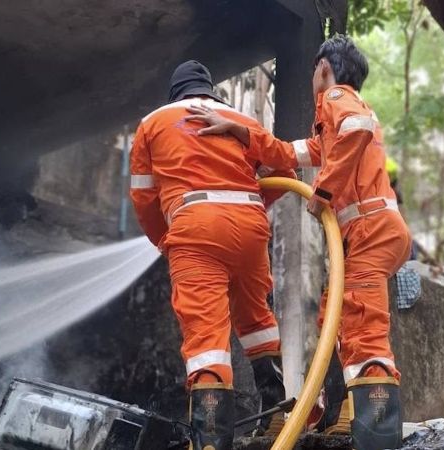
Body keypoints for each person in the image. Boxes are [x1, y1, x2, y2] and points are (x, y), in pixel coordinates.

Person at [185, 36, 411, 449]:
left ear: (324, 68)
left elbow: (355, 130)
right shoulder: (332, 126)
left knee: (362, 325)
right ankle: (346, 415)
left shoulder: (338, 97)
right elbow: (290, 153)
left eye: (312, 72)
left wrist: (324, 189)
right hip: (373, 229)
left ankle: (378, 434)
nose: (312, 80)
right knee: (338, 318)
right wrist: (241, 130)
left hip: (369, 228)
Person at [129, 60, 295, 450]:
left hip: (194, 225)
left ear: (176, 93)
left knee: (206, 337)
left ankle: (211, 441)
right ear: (209, 92)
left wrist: (164, 239)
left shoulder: (153, 122)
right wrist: (254, 203)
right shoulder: (238, 118)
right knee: (258, 321)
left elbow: (144, 197)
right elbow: (277, 169)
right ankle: (275, 418)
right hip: (251, 226)